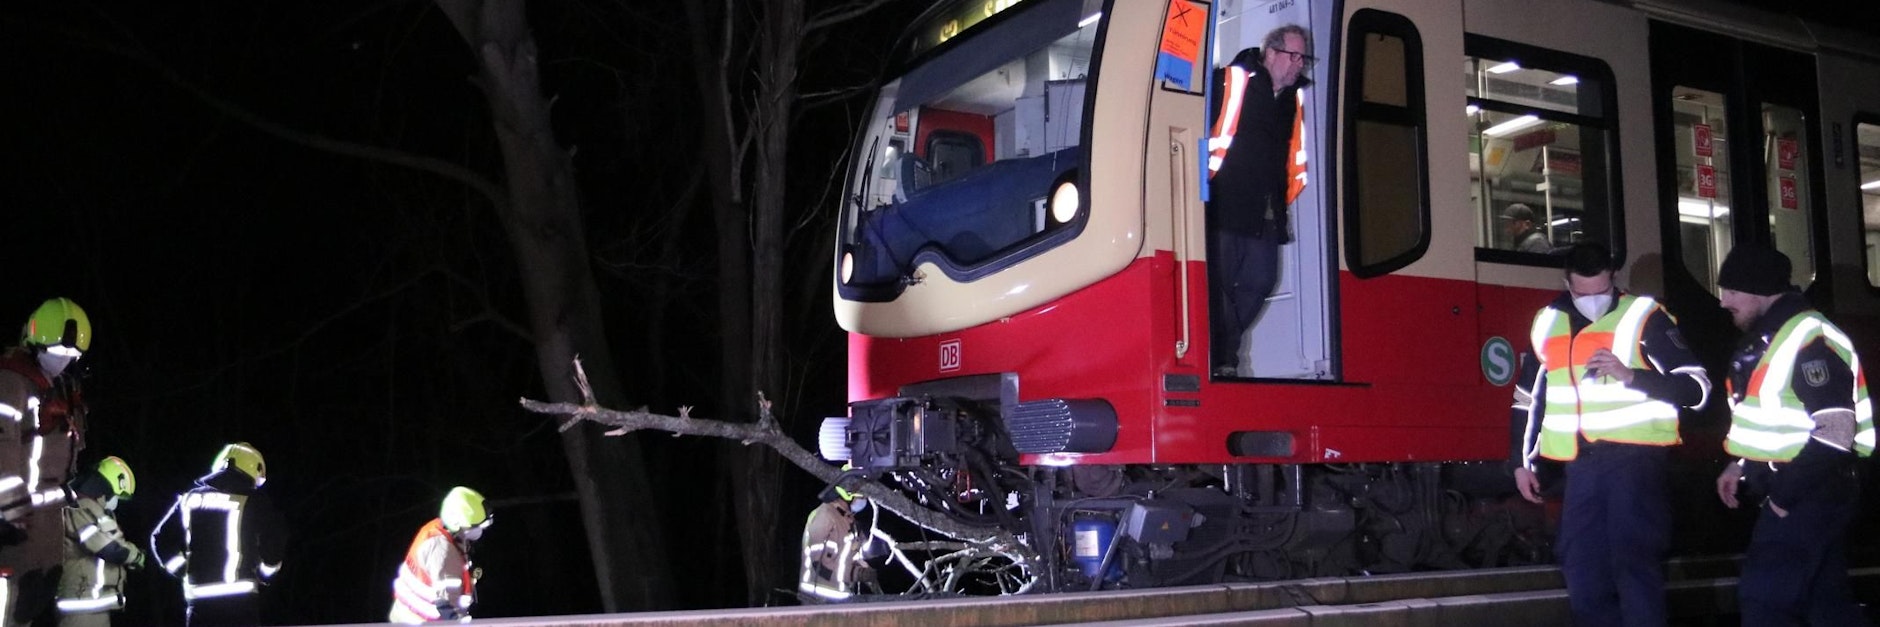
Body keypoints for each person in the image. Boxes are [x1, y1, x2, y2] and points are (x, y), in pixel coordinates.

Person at [1508, 243, 1709, 626]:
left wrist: (1631, 375)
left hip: (1636, 461)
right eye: (1583, 293)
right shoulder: (1548, 321)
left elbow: (1697, 390)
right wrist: (1519, 463)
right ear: (1566, 283)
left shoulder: (1644, 316)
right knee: (1581, 568)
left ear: (1613, 279)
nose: (1593, 302)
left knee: (1633, 564)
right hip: (1581, 466)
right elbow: (1525, 398)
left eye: (1601, 292)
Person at [1710, 244, 1874, 625]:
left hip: (1810, 491)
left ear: (1760, 290)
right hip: (1813, 489)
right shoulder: (1777, 336)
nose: (1724, 302)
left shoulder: (1807, 340)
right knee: (1826, 603)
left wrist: (1784, 496)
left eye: (1732, 291)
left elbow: (1836, 432)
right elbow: (1777, 419)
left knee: (1764, 601)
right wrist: (1743, 465)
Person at [1205, 24, 1312, 377]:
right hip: (1225, 203)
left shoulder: (1293, 99)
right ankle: (1224, 360)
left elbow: (1293, 154)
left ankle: (1221, 347)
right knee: (1216, 283)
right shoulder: (1232, 81)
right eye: (1293, 55)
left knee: (1261, 281)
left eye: (1302, 57)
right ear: (1270, 54)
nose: (1299, 64)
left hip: (1267, 212)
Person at [0, 298, 93, 627]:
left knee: (35, 596)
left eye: (71, 356)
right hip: (15, 520)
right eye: (57, 351)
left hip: (48, 521)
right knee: (8, 601)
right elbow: (3, 438)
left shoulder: (61, 387)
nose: (63, 361)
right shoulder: (12, 381)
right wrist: (8, 501)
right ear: (35, 341)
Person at [151, 443, 286, 627]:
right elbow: (273, 546)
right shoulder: (255, 499)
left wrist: (183, 571)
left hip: (199, 603)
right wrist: (265, 575)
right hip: (240, 602)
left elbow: (160, 539)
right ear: (253, 469)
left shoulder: (189, 498)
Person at [56, 456, 144, 627]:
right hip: (79, 606)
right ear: (105, 489)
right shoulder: (78, 508)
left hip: (94, 603)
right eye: (117, 496)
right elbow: (108, 548)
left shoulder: (95, 511)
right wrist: (137, 556)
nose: (116, 501)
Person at [388, 486, 492, 624]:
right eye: (475, 527)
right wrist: (458, 623)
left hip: (412, 617)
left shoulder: (443, 530)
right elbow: (445, 604)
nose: (479, 531)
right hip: (420, 621)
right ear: (457, 524)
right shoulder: (442, 550)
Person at [798, 474, 888, 604]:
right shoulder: (825, 516)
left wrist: (880, 549)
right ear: (849, 494)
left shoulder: (848, 520)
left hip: (839, 597)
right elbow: (817, 564)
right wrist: (857, 574)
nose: (864, 499)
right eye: (861, 495)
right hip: (817, 598)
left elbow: (851, 553)